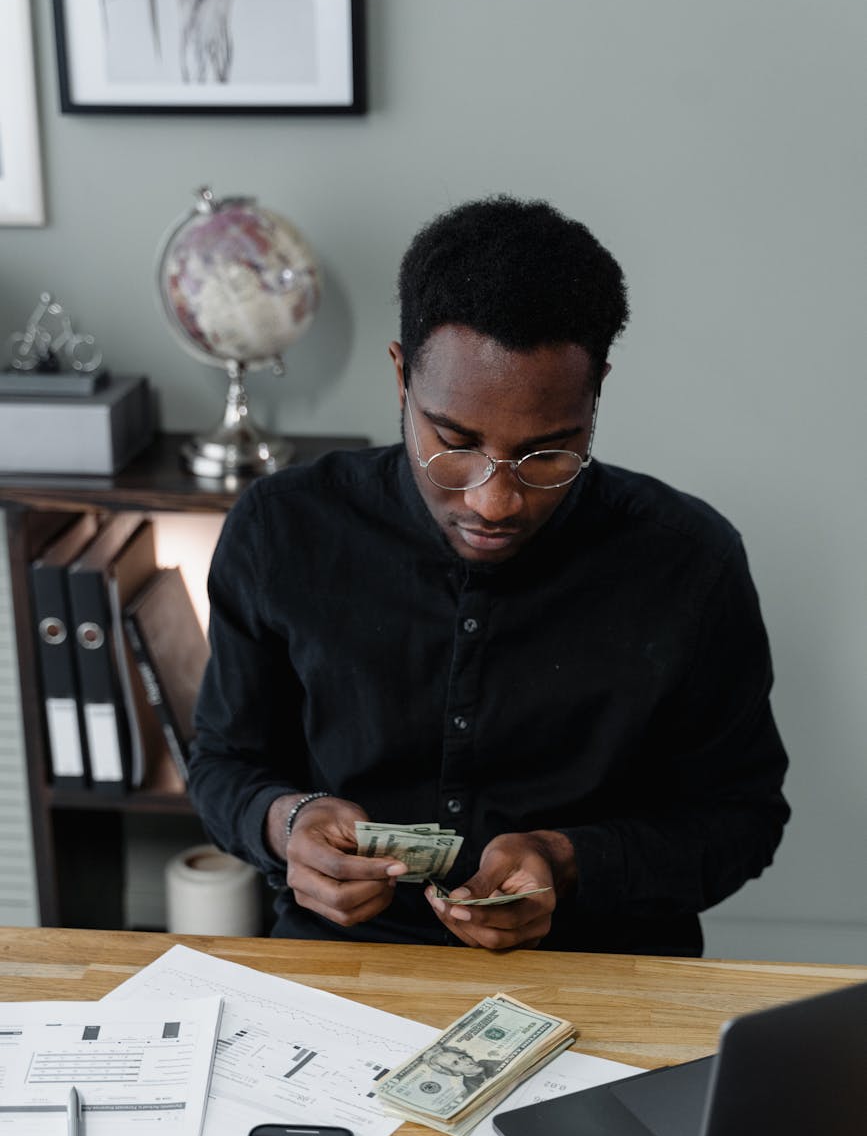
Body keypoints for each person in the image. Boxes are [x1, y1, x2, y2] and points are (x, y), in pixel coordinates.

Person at [189, 194, 790, 957]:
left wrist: (571, 864)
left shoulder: (688, 560)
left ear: (596, 389)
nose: (494, 500)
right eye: (455, 442)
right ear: (401, 377)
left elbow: (740, 819)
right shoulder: (281, 529)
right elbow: (223, 763)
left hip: (603, 962)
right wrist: (286, 824)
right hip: (348, 961)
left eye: (546, 453)